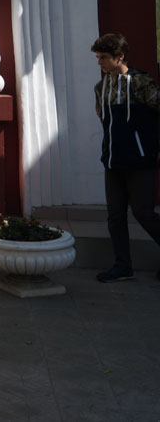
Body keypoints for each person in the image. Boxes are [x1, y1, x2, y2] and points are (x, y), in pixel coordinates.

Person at [91, 33, 160, 282]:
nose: (100, 63)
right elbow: (105, 121)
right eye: (98, 58)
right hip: (113, 160)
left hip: (140, 161)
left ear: (120, 56)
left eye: (104, 58)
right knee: (115, 216)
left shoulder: (142, 83)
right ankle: (123, 266)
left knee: (143, 212)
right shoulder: (101, 88)